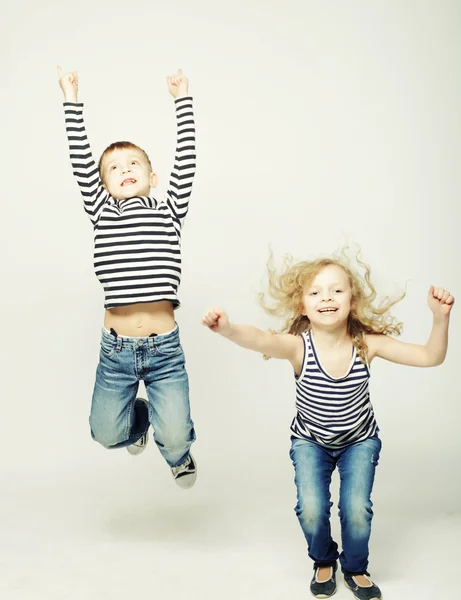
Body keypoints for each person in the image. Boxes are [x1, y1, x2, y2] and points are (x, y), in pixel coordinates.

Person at [202, 251, 454, 598]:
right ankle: (323, 559)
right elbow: (261, 339)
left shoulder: (367, 345)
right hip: (311, 441)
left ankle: (355, 567)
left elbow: (430, 357)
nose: (327, 298)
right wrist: (227, 329)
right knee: (311, 507)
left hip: (359, 441)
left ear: (352, 301)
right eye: (316, 293)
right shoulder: (297, 348)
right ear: (303, 306)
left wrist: (440, 319)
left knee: (356, 509)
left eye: (336, 291)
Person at [58, 65, 197, 489]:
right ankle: (138, 423)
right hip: (115, 351)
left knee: (174, 434)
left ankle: (177, 454)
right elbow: (81, 159)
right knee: (104, 433)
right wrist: (71, 101)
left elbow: (187, 161)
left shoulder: (169, 210)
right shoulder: (102, 213)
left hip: (164, 349)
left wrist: (182, 101)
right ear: (103, 185)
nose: (126, 169)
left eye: (134, 163)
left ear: (152, 177)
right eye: (115, 168)